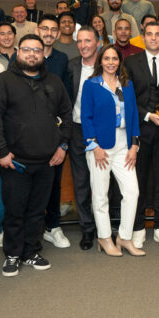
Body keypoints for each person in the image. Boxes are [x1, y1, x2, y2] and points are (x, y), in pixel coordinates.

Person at [0, 34, 73, 277]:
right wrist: (1, 152)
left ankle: (31, 250)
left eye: (37, 50)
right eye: (27, 49)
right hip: (14, 162)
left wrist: (62, 147)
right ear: (17, 52)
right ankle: (12, 254)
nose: (32, 54)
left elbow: (67, 115)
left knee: (37, 210)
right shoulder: (2, 82)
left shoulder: (54, 81)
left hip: (48, 161)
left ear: (43, 54)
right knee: (14, 210)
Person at [80, 45, 143, 257]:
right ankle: (104, 237)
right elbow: (85, 117)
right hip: (100, 147)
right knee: (100, 195)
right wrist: (94, 146)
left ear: (119, 61)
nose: (110, 62)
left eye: (114, 58)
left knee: (132, 192)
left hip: (124, 145)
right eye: (106, 58)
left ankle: (124, 238)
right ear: (100, 61)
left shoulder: (127, 84)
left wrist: (134, 145)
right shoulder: (91, 85)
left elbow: (133, 115)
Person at [124, 22, 159, 249]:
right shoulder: (130, 62)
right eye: (150, 34)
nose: (154, 38)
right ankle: (138, 228)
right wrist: (148, 115)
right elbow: (127, 100)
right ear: (143, 37)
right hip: (140, 129)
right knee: (138, 180)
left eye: (158, 34)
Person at [36, 16, 74, 247]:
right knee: (30, 185)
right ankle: (31, 229)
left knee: (54, 183)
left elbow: (66, 100)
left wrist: (62, 140)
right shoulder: (22, 58)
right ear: (37, 30)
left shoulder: (62, 60)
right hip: (28, 134)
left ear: (58, 35)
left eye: (53, 30)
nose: (49, 33)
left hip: (54, 132)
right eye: (45, 28)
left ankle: (53, 226)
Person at [67, 27, 99, 250]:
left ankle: (106, 224)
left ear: (97, 42)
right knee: (81, 181)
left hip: (103, 131)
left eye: (88, 40)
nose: (83, 45)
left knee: (105, 180)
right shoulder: (71, 66)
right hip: (78, 130)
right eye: (80, 41)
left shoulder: (108, 63)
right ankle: (87, 228)